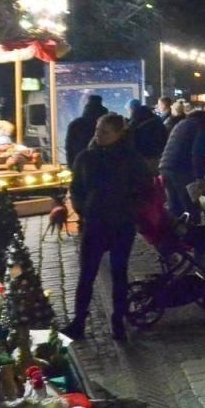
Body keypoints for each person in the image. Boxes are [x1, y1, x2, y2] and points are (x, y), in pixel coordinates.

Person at [66, 113, 154, 341]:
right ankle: (78, 322)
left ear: (118, 134)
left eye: (105, 132)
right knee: (87, 274)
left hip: (121, 224)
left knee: (119, 274)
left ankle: (119, 322)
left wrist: (131, 210)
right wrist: (84, 208)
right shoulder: (86, 158)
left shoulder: (131, 160)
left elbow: (146, 189)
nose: (98, 135)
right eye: (97, 130)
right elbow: (76, 189)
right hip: (94, 223)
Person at [159, 107, 205, 221]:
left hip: (165, 166)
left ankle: (176, 234)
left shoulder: (183, 123)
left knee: (175, 205)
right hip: (181, 169)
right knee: (190, 204)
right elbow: (198, 153)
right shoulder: (200, 127)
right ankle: (193, 232)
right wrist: (200, 177)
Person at [65, 94, 108, 167]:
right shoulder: (104, 122)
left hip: (79, 161)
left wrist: (71, 164)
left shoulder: (75, 124)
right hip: (102, 161)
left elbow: (69, 146)